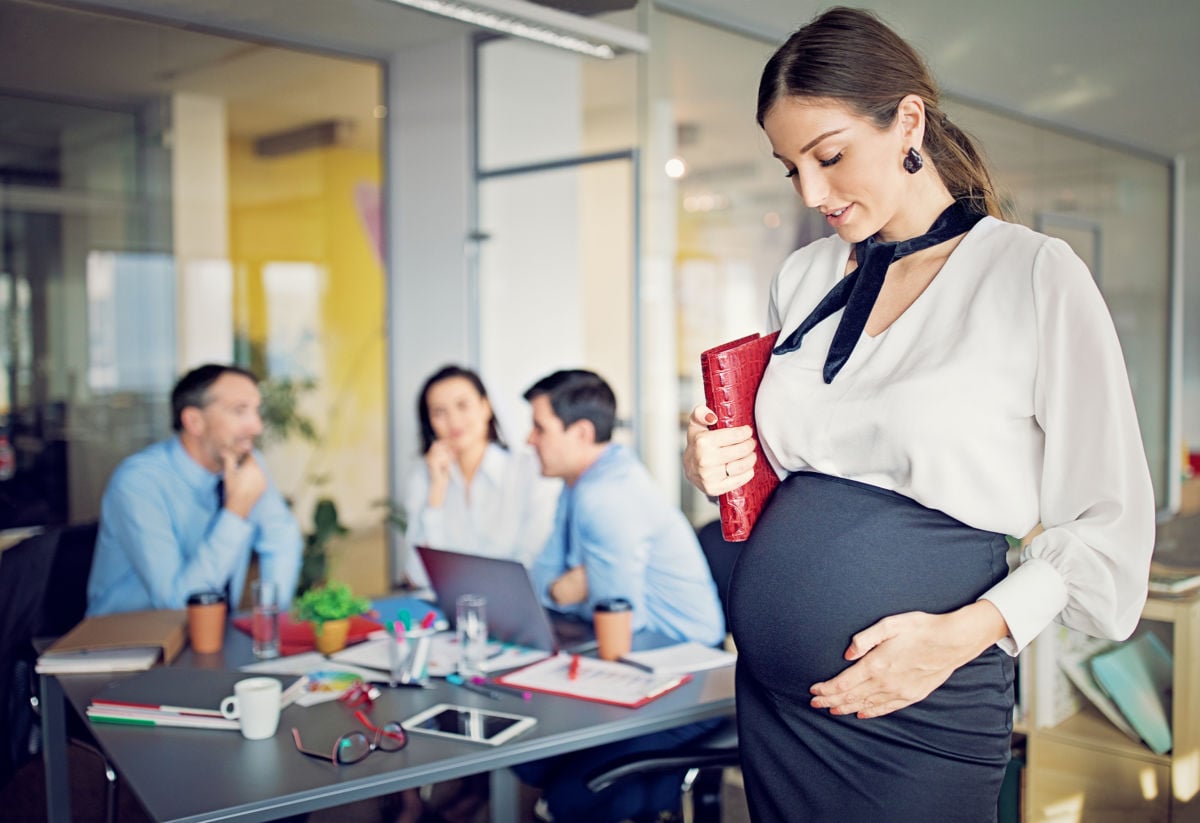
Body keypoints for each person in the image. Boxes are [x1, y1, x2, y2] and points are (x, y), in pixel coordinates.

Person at [682, 8, 1155, 822]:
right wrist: (719, 459)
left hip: (921, 707)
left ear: (908, 119)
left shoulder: (1032, 274)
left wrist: (968, 632)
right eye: (789, 168)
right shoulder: (801, 279)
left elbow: (1111, 528)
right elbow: (802, 464)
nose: (813, 193)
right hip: (775, 707)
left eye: (830, 156)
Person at [517, 369, 724, 823]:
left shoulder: (607, 494)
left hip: (682, 674)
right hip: (642, 660)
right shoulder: (580, 485)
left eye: (540, 428)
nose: (529, 440)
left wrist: (572, 587)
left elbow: (615, 616)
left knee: (557, 788)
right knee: (527, 757)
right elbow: (545, 585)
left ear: (582, 432)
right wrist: (569, 584)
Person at [88, 364, 302, 617]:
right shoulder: (138, 483)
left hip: (211, 641)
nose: (256, 427)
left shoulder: (246, 463)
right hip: (130, 646)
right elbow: (177, 604)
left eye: (256, 411)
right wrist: (236, 512)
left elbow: (282, 540)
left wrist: (270, 620)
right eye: (240, 411)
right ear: (194, 421)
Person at [401, 364, 560, 588]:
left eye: (462, 405)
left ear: (486, 407)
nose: (453, 421)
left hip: (513, 607)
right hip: (448, 613)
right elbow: (418, 575)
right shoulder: (424, 477)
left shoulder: (528, 470)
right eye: (439, 412)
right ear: (430, 423)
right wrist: (436, 493)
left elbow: (534, 563)